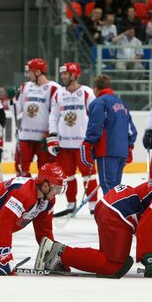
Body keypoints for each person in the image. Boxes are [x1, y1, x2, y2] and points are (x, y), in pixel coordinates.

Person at [35, 172, 152, 278]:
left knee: (109, 261)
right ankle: (58, 254)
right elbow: (148, 225)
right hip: (117, 213)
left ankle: (59, 254)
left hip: (116, 210)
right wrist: (148, 255)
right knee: (113, 266)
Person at [48, 63, 98, 216]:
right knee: (67, 176)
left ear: (75, 75)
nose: (63, 77)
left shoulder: (87, 93)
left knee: (89, 175)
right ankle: (71, 204)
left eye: (66, 74)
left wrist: (94, 137)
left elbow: (96, 115)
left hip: (83, 144)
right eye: (62, 74)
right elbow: (54, 116)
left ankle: (93, 205)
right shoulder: (58, 94)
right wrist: (53, 136)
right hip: (64, 144)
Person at [81, 75, 136, 195]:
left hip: (106, 152)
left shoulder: (99, 102)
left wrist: (88, 143)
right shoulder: (122, 103)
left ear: (95, 88)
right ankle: (118, 212)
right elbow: (131, 130)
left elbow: (95, 127)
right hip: (122, 152)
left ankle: (112, 213)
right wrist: (129, 147)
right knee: (116, 188)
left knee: (108, 187)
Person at [15, 58, 60, 176]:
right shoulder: (25, 87)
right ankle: (23, 193)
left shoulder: (54, 88)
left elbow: (56, 113)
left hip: (44, 138)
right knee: (21, 171)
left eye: (30, 71)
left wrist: (51, 133)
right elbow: (17, 109)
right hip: (25, 136)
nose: (28, 74)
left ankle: (46, 195)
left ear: (38, 72)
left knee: (46, 172)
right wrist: (12, 101)